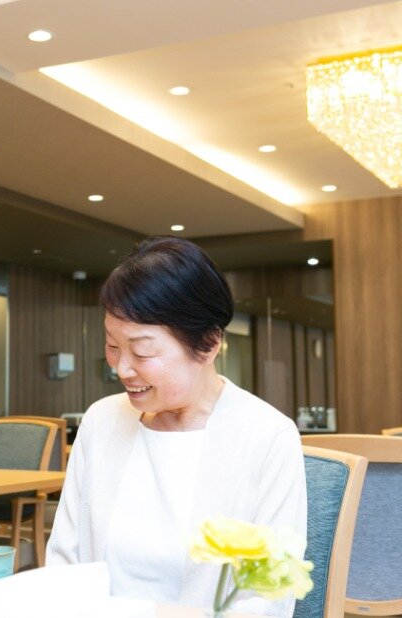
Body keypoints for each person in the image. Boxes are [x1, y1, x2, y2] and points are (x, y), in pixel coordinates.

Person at [46, 236, 306, 617]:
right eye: (113, 346)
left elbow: (269, 598)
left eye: (143, 351)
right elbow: (64, 563)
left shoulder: (266, 437)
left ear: (208, 343)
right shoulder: (101, 422)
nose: (121, 368)